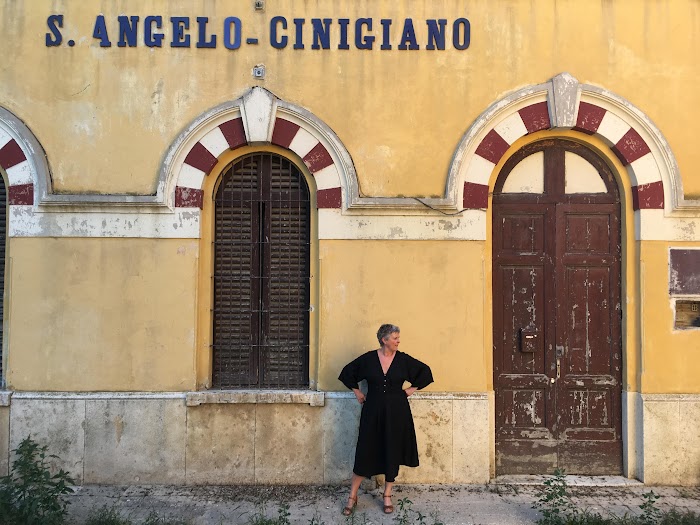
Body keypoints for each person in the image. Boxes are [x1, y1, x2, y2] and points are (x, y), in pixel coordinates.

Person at [338, 323, 434, 515]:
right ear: (384, 340)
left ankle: (387, 495)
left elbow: (426, 372)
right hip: (372, 411)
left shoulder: (403, 360)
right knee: (366, 449)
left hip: (397, 412)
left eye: (398, 337)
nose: (398, 341)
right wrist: (357, 391)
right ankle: (352, 495)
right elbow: (347, 372)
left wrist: (411, 389)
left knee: (392, 449)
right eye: (395, 337)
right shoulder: (368, 359)